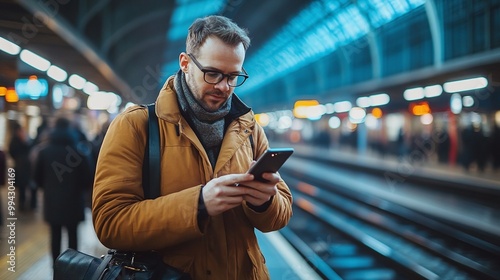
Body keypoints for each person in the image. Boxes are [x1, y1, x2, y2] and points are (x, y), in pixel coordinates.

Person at [92, 15, 293, 279]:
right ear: (185, 63)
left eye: (233, 76)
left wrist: (264, 201)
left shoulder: (249, 128)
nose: (223, 86)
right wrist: (198, 204)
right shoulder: (137, 126)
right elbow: (110, 223)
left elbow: (281, 214)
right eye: (213, 74)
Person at [33, 117, 93, 264]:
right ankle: (72, 267)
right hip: (74, 201)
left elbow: (37, 178)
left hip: (52, 201)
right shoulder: (79, 151)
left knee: (55, 235)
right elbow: (88, 177)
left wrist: (48, 188)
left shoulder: (44, 151)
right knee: (73, 235)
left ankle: (56, 268)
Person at [8, 122, 36, 211]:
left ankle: (31, 204)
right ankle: (23, 204)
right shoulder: (16, 141)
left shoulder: (26, 139)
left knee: (30, 187)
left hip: (27, 167)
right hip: (21, 167)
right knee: (23, 187)